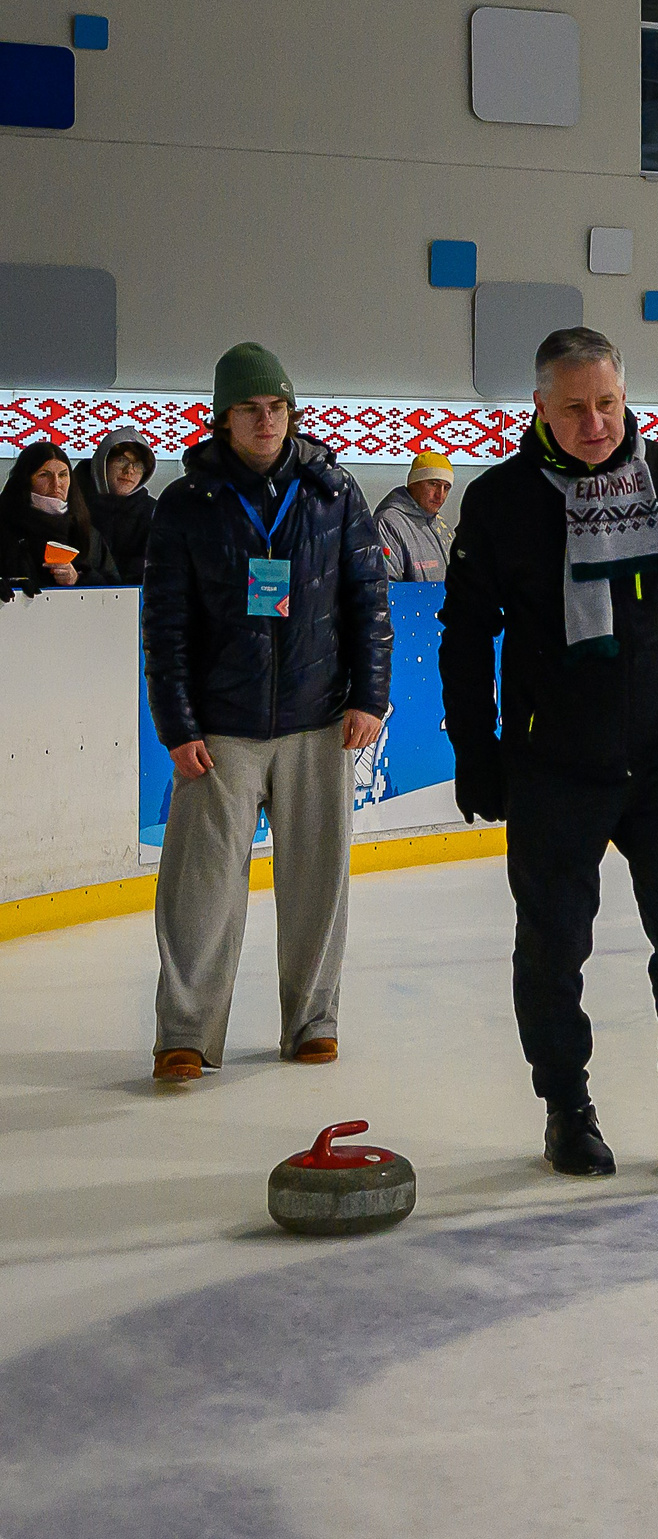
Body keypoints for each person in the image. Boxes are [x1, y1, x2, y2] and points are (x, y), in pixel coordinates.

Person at [438, 326, 658, 1179]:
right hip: (554, 762)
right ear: (540, 406)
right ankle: (566, 1110)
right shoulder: (503, 502)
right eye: (574, 408)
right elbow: (466, 636)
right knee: (552, 946)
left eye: (606, 403)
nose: (596, 423)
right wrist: (477, 749)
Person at [141, 342, 391, 1083]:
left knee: (318, 881)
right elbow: (167, 624)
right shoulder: (188, 506)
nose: (265, 421)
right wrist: (178, 726)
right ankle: (185, 1033)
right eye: (250, 409)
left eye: (276, 407)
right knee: (201, 890)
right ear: (222, 418)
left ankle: (312, 1021)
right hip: (222, 728)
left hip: (318, 720)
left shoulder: (332, 492)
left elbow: (367, 603)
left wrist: (370, 696)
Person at [0, 441, 101, 592]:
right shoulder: (4, 526)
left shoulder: (86, 531)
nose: (56, 484)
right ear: (26, 480)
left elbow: (115, 586)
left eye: (63, 475)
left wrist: (78, 578)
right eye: (44, 475)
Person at [73, 428, 157, 585]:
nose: (129, 471)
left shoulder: (152, 513)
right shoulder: (70, 505)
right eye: (121, 461)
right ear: (101, 463)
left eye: (138, 465)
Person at [375, 451, 456, 581]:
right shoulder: (388, 523)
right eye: (433, 484)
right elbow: (386, 588)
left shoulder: (442, 526)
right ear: (413, 484)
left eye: (446, 488)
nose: (440, 495)